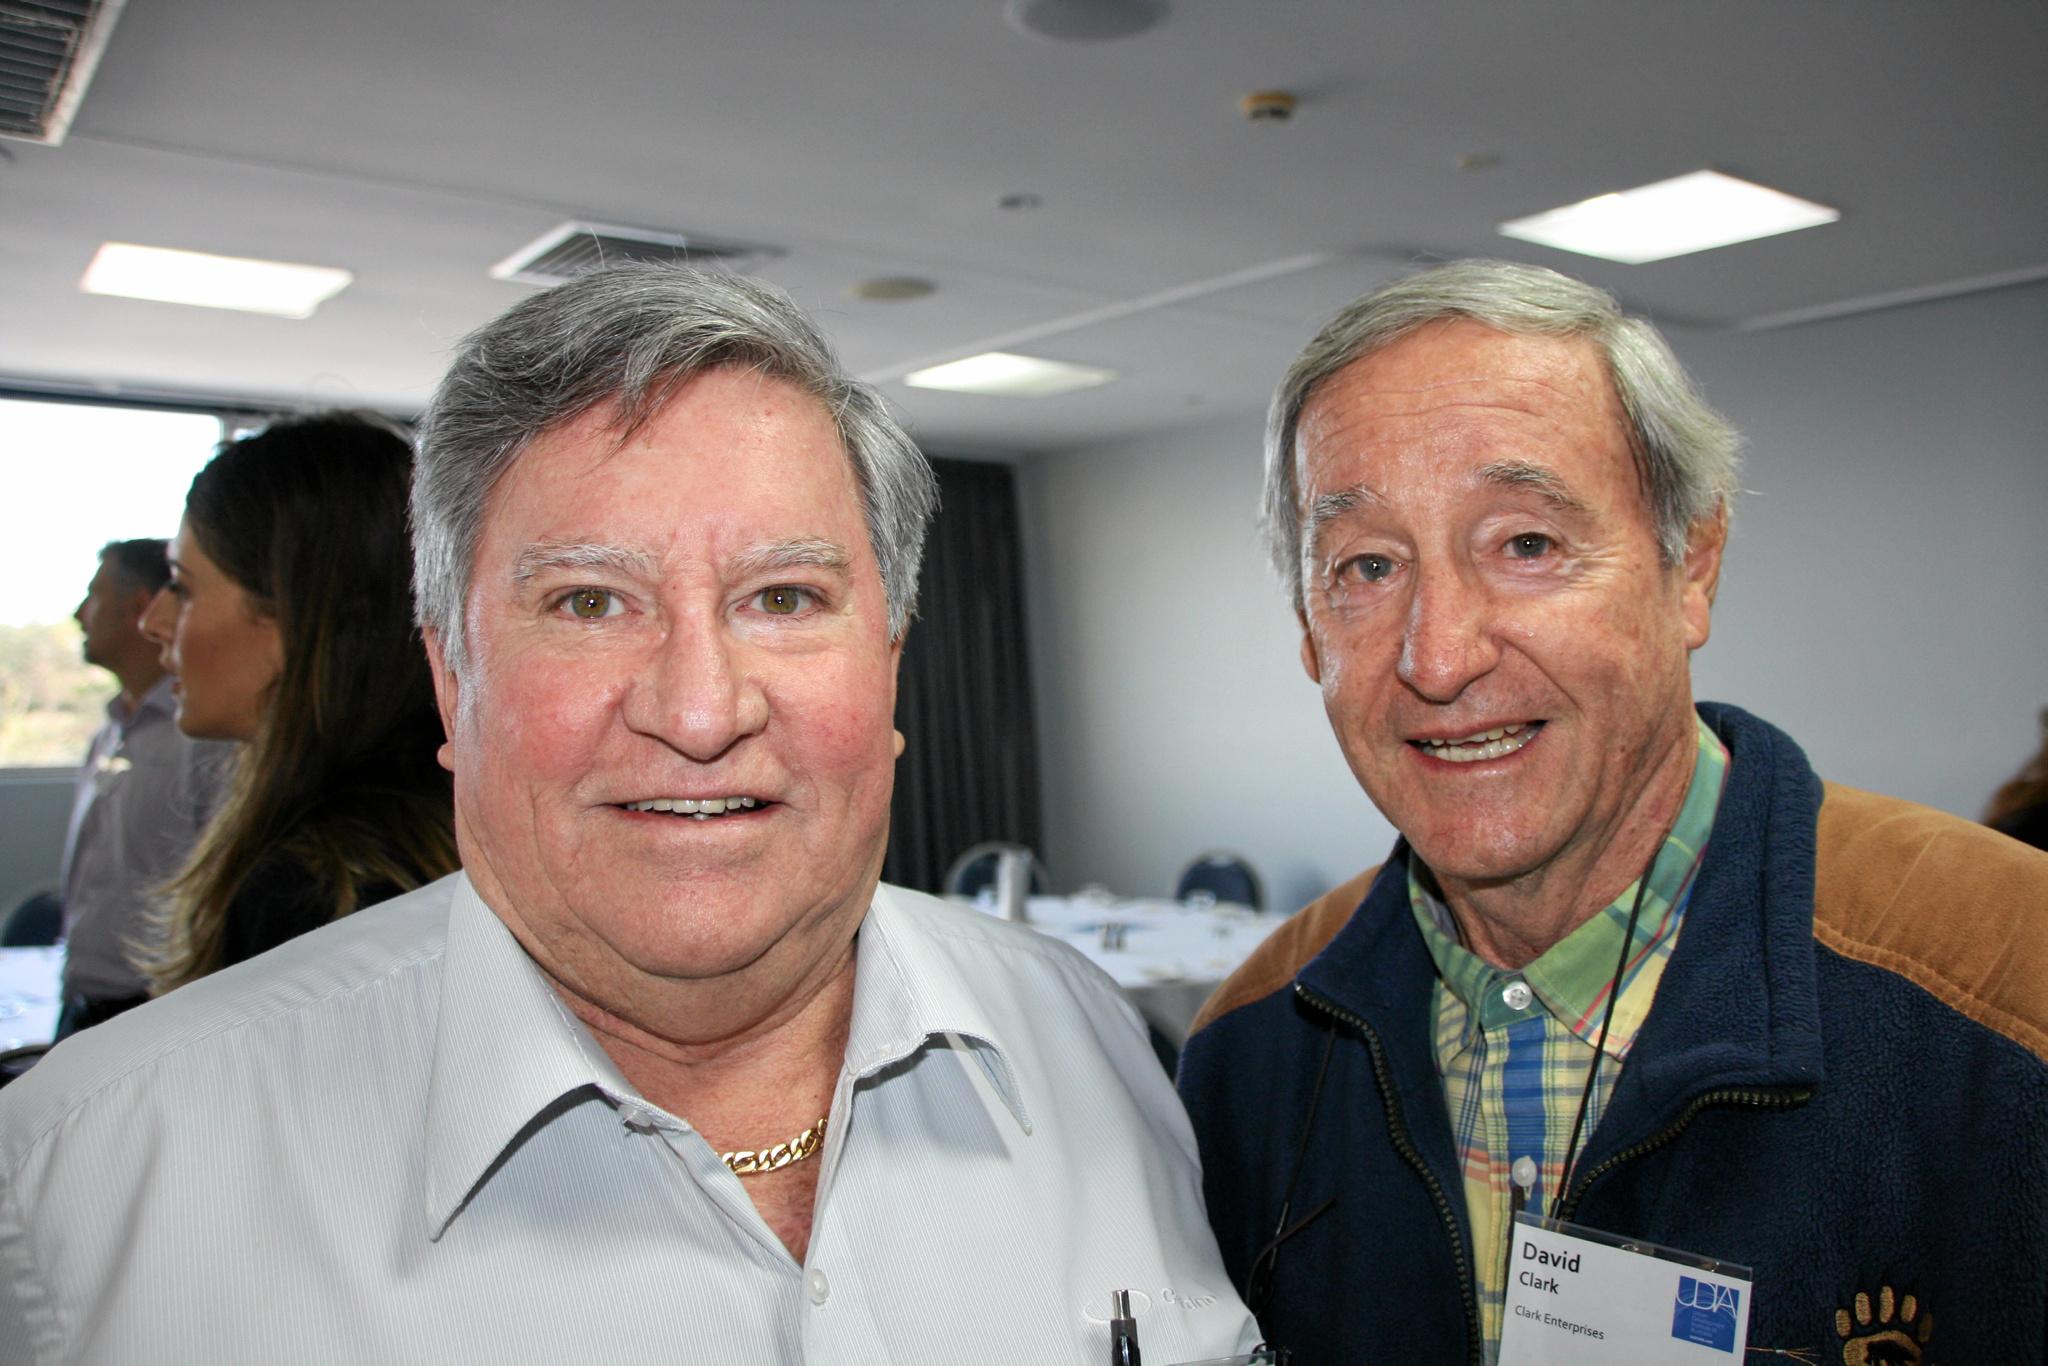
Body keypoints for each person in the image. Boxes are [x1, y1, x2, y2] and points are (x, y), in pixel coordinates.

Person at [0, 266, 1261, 1362]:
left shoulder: (1092, 1046)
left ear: (889, 660)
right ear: (451, 677)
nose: (701, 710)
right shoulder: (90, 1190)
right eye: (590, 603)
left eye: (783, 595)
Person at [1176, 260, 2048, 1363]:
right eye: (1364, 565)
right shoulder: (1250, 1056)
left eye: (1525, 544)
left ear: (1690, 566)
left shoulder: (2008, 993)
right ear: (1307, 630)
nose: (1437, 656)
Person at [133, 412, 458, 993]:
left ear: (290, 613)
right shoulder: (426, 828)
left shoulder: (319, 889)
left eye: (183, 587)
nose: (152, 622)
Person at [54, 539, 232, 1035]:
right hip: (80, 998)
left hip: (151, 1007)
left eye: (93, 596)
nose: (77, 614)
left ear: (138, 607)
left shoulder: (201, 737)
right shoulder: (107, 732)